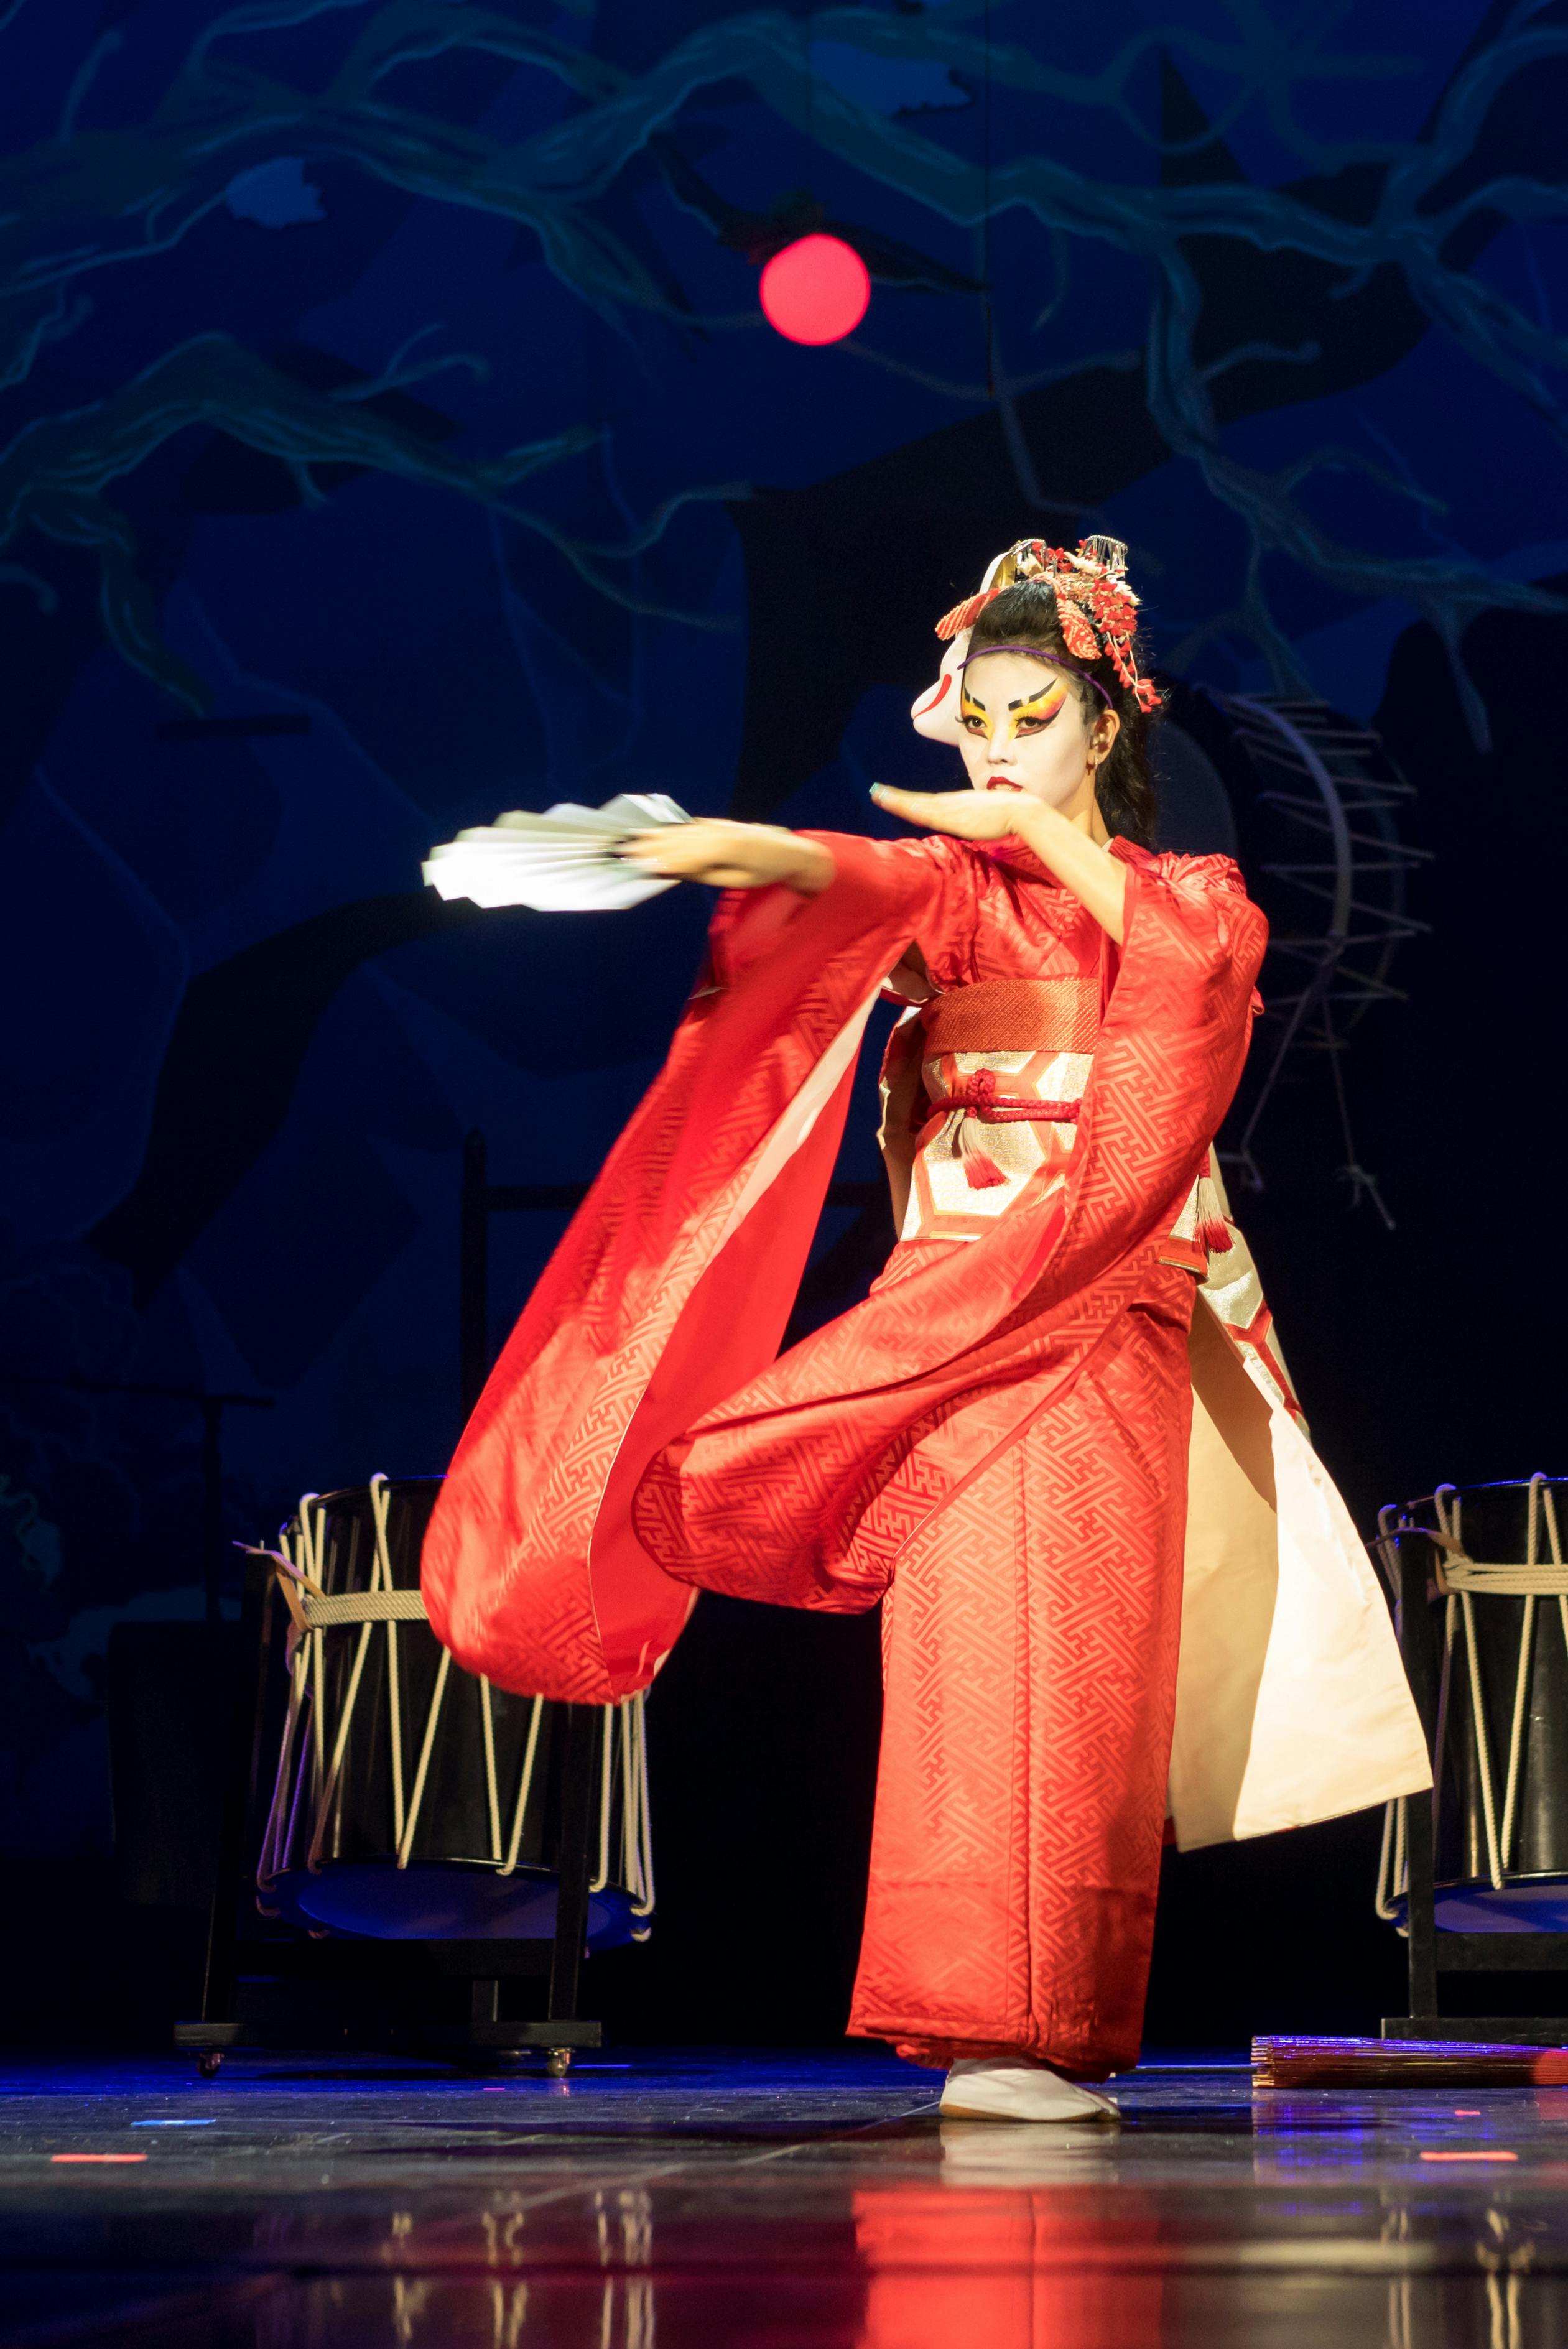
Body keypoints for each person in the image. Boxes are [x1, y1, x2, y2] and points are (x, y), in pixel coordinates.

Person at [423, 537, 1429, 2122]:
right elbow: (861, 877)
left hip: (1095, 1308)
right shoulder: (958, 896)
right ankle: (975, 2017)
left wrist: (1036, 828)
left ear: (1104, 724)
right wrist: (723, 850)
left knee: (1078, 1675)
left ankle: (1055, 2020)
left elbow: (1198, 987)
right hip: (939, 1327)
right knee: (966, 1672)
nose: (996, 749)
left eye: (1030, 719)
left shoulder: (1185, 897)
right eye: (975, 722)